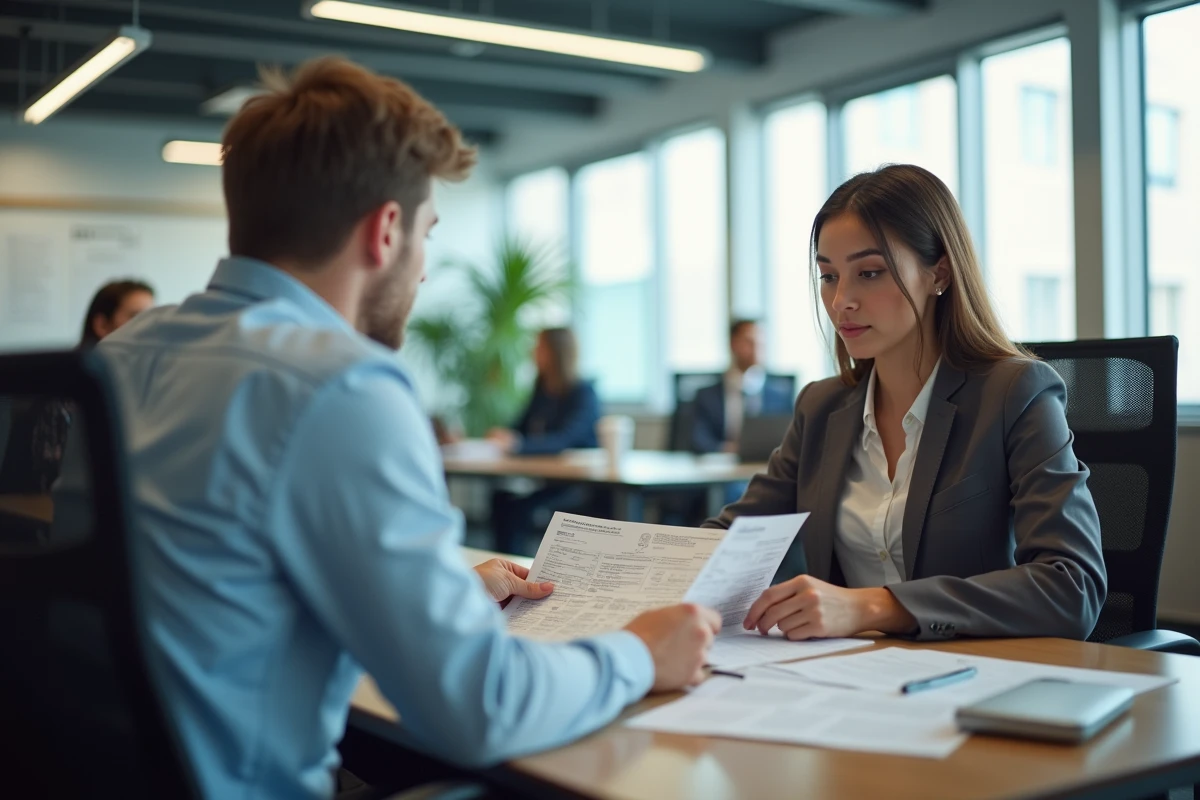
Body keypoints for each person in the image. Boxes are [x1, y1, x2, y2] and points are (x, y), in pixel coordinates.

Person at [86, 58, 719, 799]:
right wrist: (640, 654)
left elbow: (219, 573)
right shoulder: (340, 383)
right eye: (428, 233)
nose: (423, 270)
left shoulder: (121, 355)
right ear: (386, 231)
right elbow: (482, 706)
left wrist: (444, 585)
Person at [706, 164, 1106, 642]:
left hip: (978, 674)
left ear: (939, 272)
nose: (841, 302)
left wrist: (873, 605)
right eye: (829, 276)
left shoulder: (1015, 394)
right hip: (847, 679)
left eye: (869, 273)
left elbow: (1071, 587)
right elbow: (731, 540)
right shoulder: (821, 408)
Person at [0, 280, 154, 494]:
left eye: (152, 318)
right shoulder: (68, 388)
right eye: (136, 317)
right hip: (59, 507)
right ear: (102, 325)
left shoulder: (147, 380)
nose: (149, 327)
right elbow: (54, 474)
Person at [487, 328, 602, 554]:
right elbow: (518, 427)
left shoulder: (583, 392)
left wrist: (519, 445)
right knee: (501, 500)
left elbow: (566, 439)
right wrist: (504, 436)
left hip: (579, 484)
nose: (533, 352)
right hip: (546, 479)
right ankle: (505, 569)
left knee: (521, 507)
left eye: (539, 347)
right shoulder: (542, 387)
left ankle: (522, 571)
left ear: (556, 352)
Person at [690, 320, 793, 455]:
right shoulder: (706, 396)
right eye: (749, 342)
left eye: (760, 343)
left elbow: (791, 440)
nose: (756, 348)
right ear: (733, 344)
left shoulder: (782, 395)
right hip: (721, 466)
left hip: (766, 466)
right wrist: (728, 449)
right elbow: (698, 440)